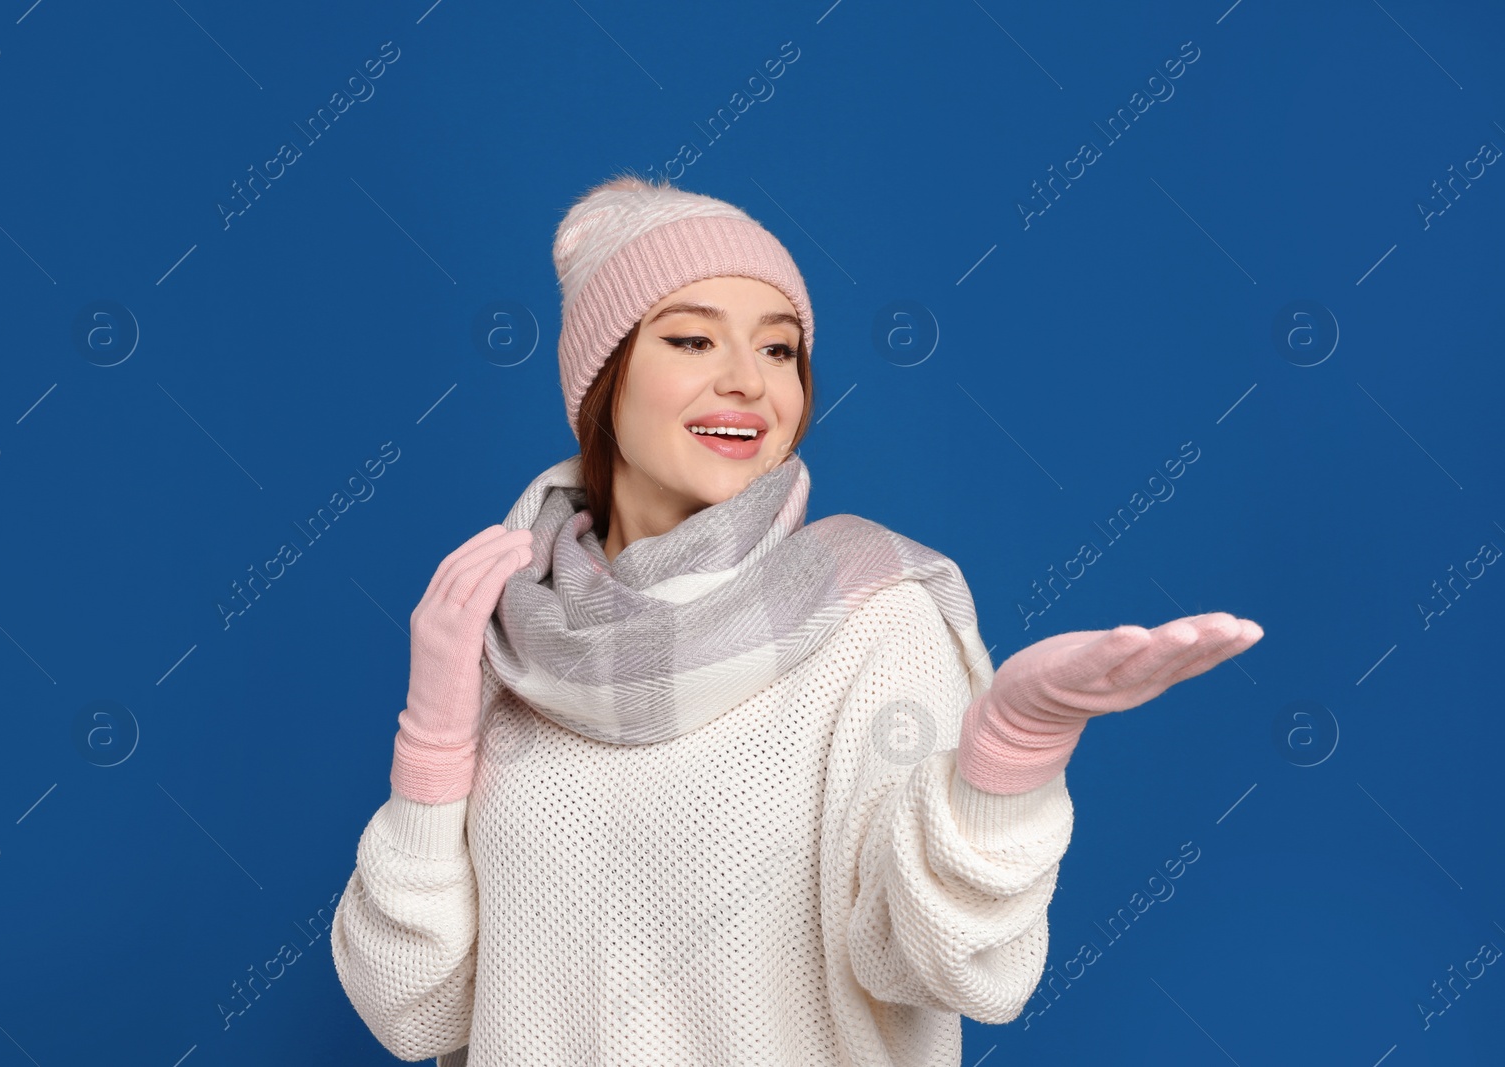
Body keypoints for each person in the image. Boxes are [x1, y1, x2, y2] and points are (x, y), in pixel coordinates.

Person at [329, 175, 1263, 1066]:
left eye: (778, 349)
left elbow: (948, 964)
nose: (747, 381)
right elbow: (412, 1008)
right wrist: (432, 748)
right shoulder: (508, 631)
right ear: (603, 382)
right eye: (692, 341)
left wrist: (1009, 760)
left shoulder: (871, 615)